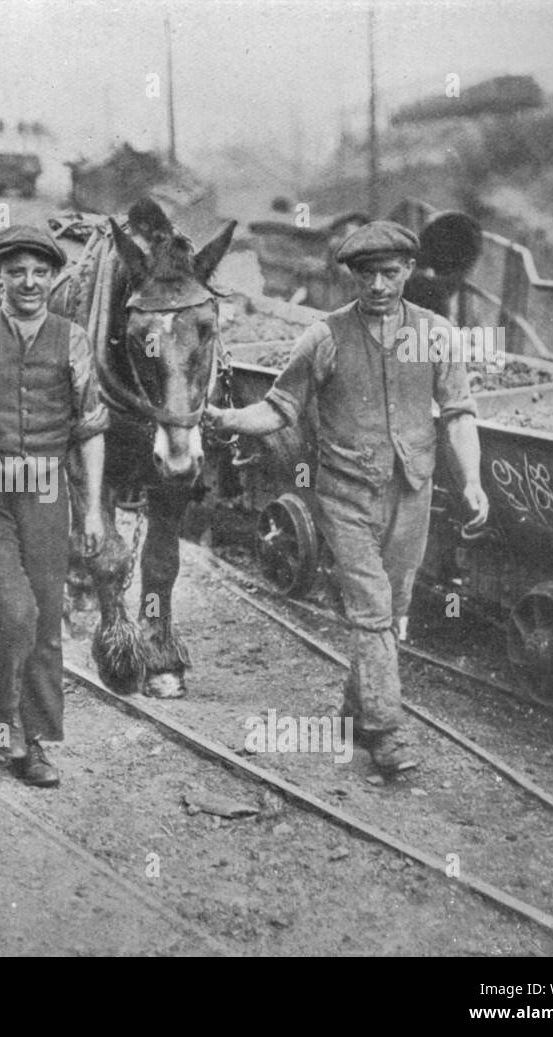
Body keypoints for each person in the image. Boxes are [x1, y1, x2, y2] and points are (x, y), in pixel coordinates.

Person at [213, 220, 488, 776]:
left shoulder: (436, 334)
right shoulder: (325, 336)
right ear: (352, 277)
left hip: (411, 493)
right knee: (372, 612)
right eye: (368, 275)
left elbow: (459, 413)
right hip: (343, 497)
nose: (380, 286)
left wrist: (473, 480)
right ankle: (386, 736)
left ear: (410, 270)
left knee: (395, 612)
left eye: (391, 273)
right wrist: (227, 418)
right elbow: (279, 407)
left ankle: (354, 711)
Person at [0, 224, 108, 786]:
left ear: (54, 279)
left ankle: (35, 737)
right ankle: (5, 717)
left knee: (46, 620)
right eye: (16, 272)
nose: (28, 283)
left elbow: (91, 426)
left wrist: (93, 509)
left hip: (50, 493)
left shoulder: (72, 338)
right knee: (14, 613)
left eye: (39, 273)